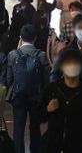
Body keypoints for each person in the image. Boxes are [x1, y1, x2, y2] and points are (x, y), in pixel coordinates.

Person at [40, 48, 82, 153]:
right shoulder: (52, 90)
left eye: (75, 63)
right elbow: (38, 117)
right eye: (68, 63)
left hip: (81, 147)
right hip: (54, 146)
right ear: (61, 66)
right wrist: (47, 110)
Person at [5, 25, 49, 153]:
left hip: (18, 96)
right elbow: (46, 78)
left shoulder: (13, 54)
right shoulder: (41, 55)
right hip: (36, 96)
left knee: (18, 129)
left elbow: (9, 79)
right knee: (35, 127)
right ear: (35, 38)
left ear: (20, 37)